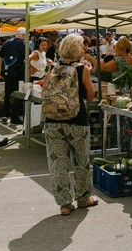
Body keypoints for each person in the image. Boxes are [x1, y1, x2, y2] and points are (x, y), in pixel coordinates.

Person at [42, 34, 98, 215]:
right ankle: (83, 198)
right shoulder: (82, 69)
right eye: (83, 46)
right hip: (77, 120)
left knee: (58, 162)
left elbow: (44, 93)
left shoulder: (53, 67)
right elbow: (90, 97)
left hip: (52, 120)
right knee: (81, 160)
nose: (84, 49)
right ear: (77, 49)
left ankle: (64, 204)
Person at [0, 27, 26, 125]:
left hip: (7, 72)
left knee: (7, 93)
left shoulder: (6, 43)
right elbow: (28, 58)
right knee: (17, 95)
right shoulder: (24, 44)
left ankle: (5, 114)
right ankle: (14, 117)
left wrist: (0, 70)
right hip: (19, 73)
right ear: (22, 35)